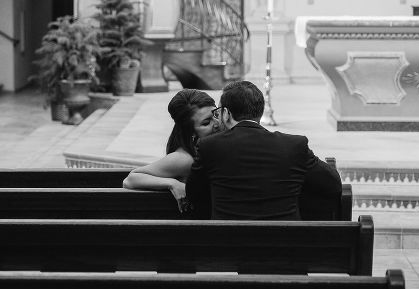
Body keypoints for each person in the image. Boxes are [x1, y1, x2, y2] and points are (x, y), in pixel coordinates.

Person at [185, 80, 341, 220]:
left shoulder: (210, 146)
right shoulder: (294, 145)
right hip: (285, 247)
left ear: (226, 113)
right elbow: (333, 185)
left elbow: (194, 194)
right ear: (260, 111)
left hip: (229, 247)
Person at [122, 88, 218, 212]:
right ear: (191, 132)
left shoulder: (208, 147)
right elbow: (131, 179)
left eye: (216, 114)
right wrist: (172, 183)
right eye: (206, 123)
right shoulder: (184, 159)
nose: (217, 123)